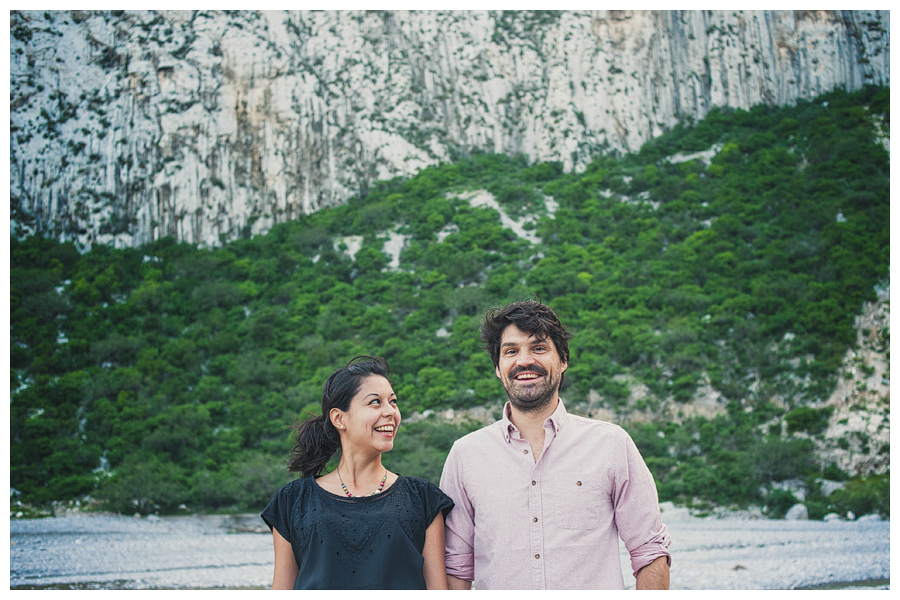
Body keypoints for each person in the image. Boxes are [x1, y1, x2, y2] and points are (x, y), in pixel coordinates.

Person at [440, 300, 671, 590]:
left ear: (563, 360)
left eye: (538, 348)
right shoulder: (465, 456)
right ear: (498, 368)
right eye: (511, 351)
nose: (524, 360)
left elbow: (650, 552)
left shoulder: (611, 444)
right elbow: (456, 568)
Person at [261, 356, 453, 589]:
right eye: (375, 402)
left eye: (393, 402)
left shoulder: (423, 499)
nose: (390, 411)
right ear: (339, 418)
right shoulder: (292, 501)